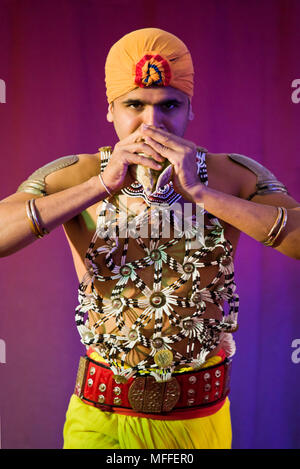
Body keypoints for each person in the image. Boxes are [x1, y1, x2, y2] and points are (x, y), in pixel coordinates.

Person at [0, 28, 299, 450]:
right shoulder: (76, 173)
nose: (151, 123)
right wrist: (100, 185)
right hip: (100, 418)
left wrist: (202, 193)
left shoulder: (232, 174)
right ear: (110, 110)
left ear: (190, 109)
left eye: (169, 105)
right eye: (134, 105)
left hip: (199, 419)